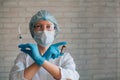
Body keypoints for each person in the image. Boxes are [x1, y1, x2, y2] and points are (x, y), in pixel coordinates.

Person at [9, 10, 79, 80]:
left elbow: (71, 77)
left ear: (55, 30)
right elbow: (14, 78)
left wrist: (41, 60)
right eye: (39, 26)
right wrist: (43, 59)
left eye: (48, 26)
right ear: (33, 31)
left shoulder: (64, 57)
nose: (44, 31)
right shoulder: (24, 56)